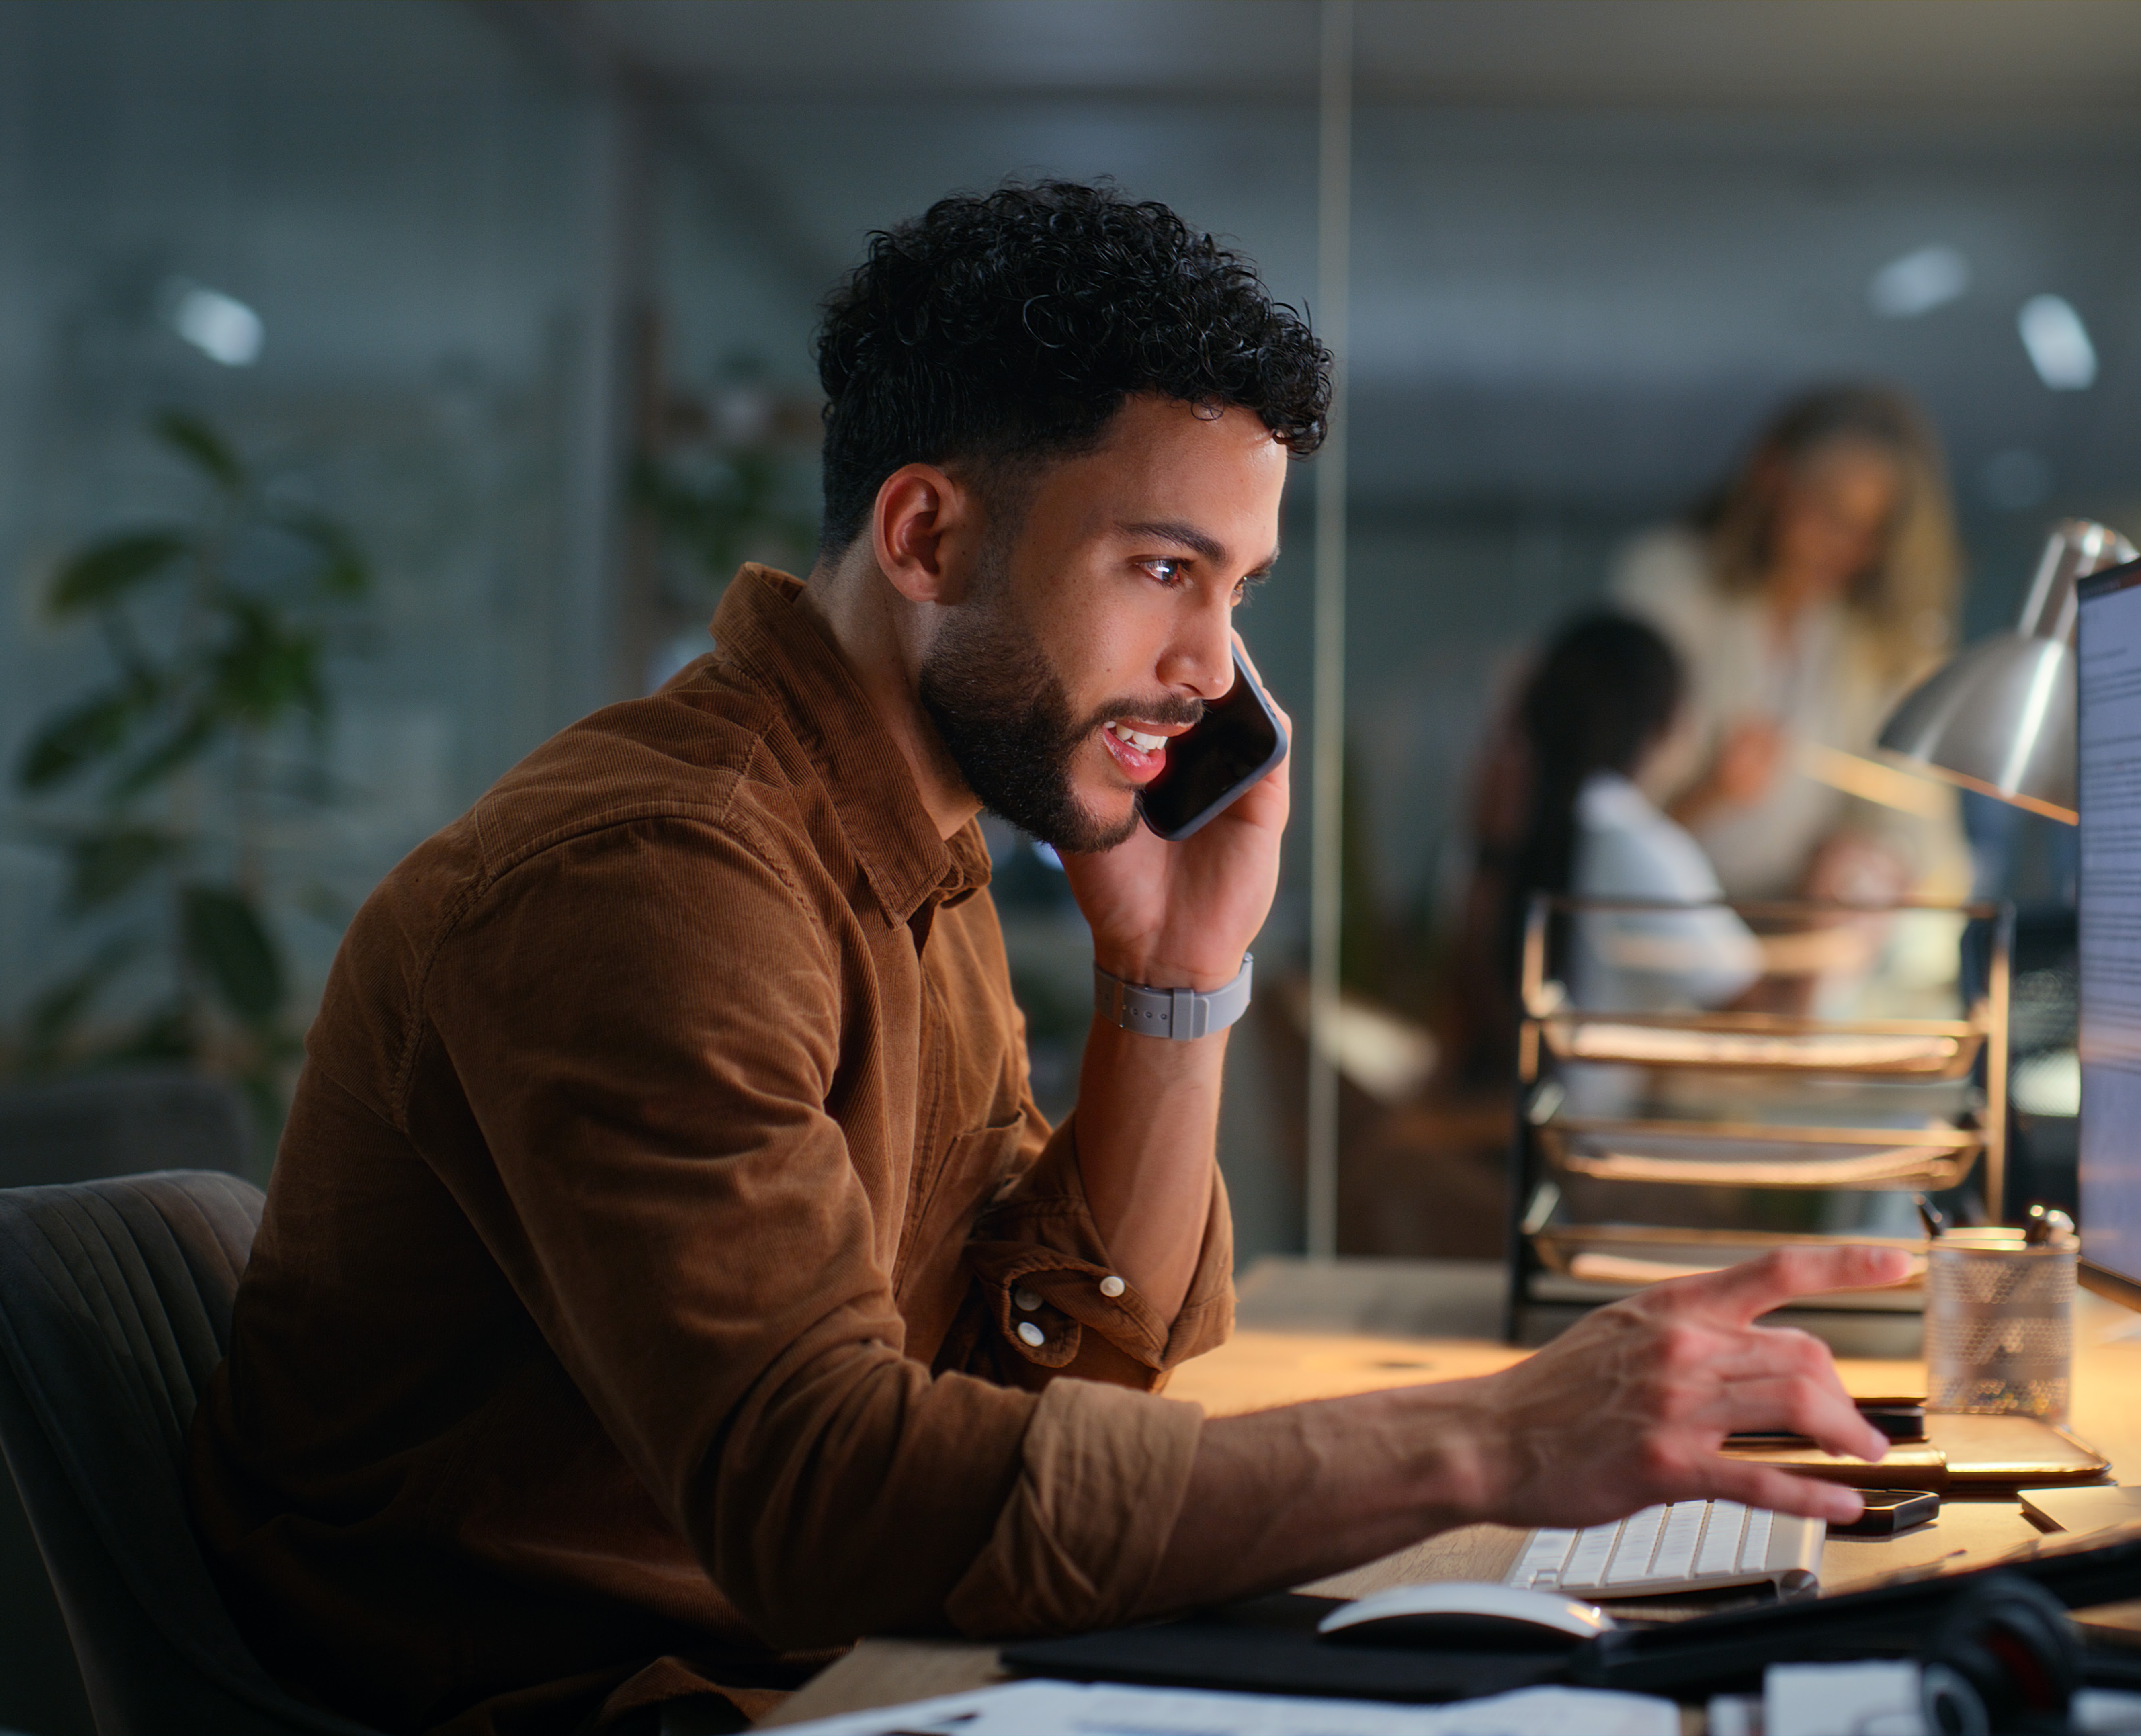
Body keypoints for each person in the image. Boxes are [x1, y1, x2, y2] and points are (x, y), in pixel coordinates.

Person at [187, 181, 1907, 1736]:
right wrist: (1493, 1441)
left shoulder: (915, 841)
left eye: (1232, 589)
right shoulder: (660, 882)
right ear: (927, 539)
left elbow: (1072, 1364)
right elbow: (822, 1506)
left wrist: (1175, 982)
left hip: (846, 1667)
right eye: (1161, 569)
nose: (1206, 671)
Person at [1611, 386, 1971, 910]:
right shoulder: (1668, 591)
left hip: (1786, 929)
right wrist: (1707, 796)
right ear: (1770, 475)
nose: (1840, 545)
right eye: (1826, 510)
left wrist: (1866, 858)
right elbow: (1609, 832)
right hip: (1657, 922)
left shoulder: (1860, 639)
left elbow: (1915, 823)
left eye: (1867, 531)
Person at [1502, 612, 1763, 1026]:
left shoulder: (1536, 819)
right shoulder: (1634, 843)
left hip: (1545, 1083)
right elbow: (1748, 1003)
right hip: (1602, 1089)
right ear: (1664, 722)